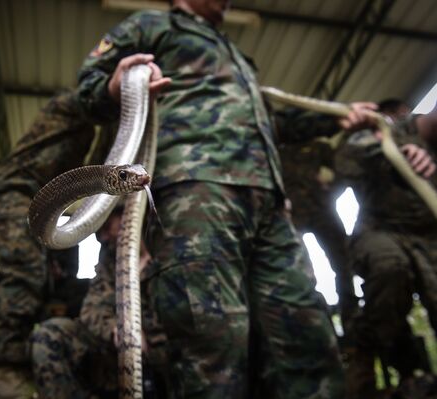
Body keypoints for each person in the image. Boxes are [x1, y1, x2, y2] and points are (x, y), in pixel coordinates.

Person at [75, 1, 378, 397]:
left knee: (306, 335)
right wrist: (114, 86)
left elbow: (271, 123)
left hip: (267, 201)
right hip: (196, 191)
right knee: (211, 346)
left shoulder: (237, 55)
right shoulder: (153, 25)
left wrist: (335, 118)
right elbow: (88, 87)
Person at [0, 91, 102, 399]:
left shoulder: (90, 129)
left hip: (45, 202)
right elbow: (97, 99)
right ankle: (7, 368)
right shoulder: (71, 104)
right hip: (16, 190)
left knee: (49, 271)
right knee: (24, 269)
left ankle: (28, 360)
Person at [336, 107, 437, 399]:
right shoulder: (388, 130)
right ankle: (408, 369)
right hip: (380, 229)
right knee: (388, 268)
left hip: (429, 237)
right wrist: (390, 149)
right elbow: (344, 163)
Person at [31, 207, 168, 398]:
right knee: (50, 334)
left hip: (166, 358)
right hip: (116, 355)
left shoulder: (169, 253)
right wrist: (115, 328)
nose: (102, 238)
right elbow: (91, 310)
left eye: (106, 226)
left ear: (126, 216)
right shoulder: (111, 260)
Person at [279, 138, 355, 329]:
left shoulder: (319, 145)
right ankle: (321, 328)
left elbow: (343, 173)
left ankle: (354, 332)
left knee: (344, 266)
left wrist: (331, 186)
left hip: (323, 213)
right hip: (290, 219)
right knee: (301, 273)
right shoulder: (274, 145)